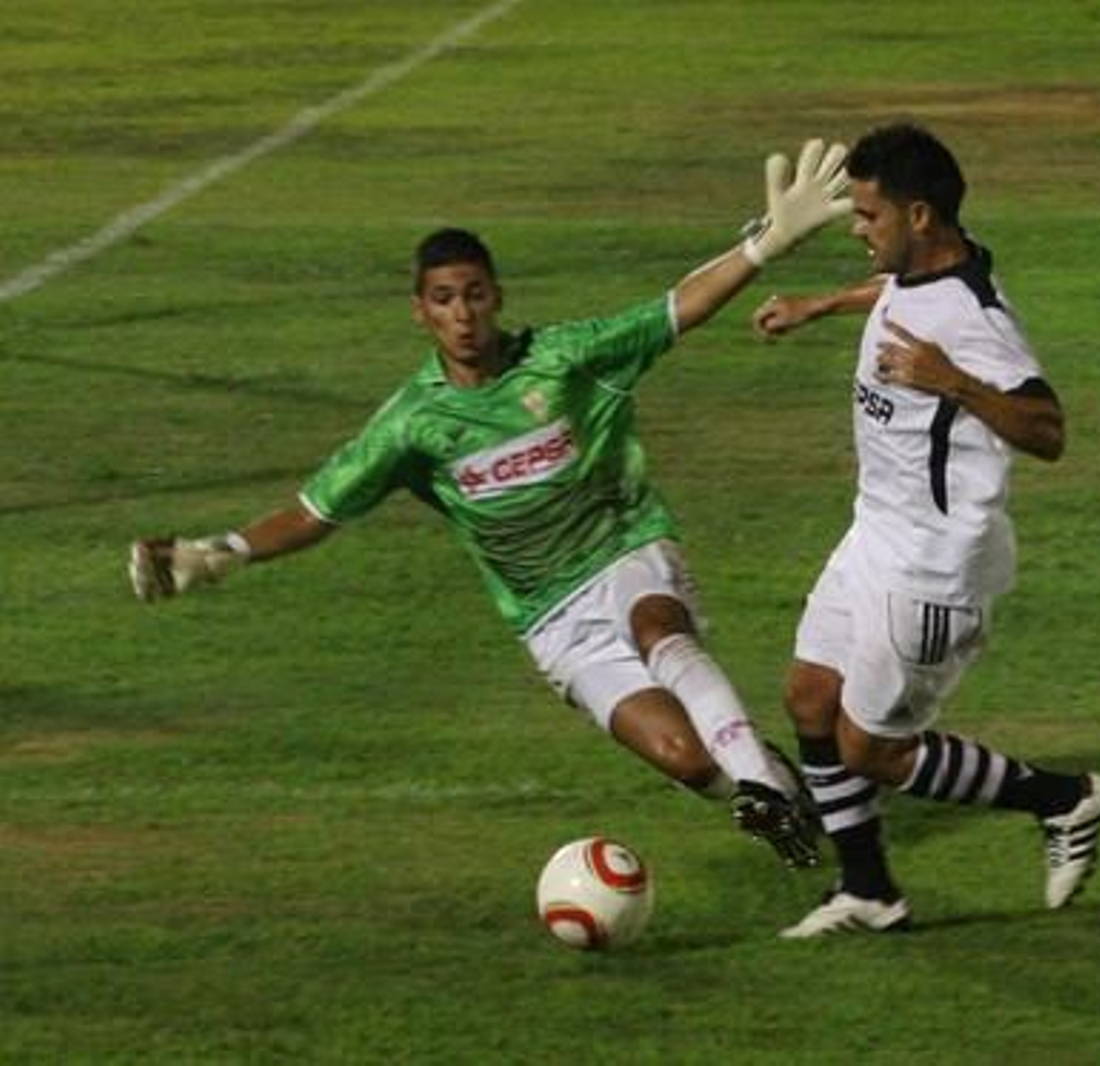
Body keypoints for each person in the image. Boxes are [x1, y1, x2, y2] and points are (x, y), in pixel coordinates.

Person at [128, 139, 856, 871]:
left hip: (628, 549)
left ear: (497, 295)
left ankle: (763, 786)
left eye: (475, 294)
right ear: (421, 312)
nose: (464, 315)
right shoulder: (414, 425)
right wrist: (222, 551)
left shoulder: (562, 358)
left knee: (655, 625)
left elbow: (675, 309)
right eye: (444, 300)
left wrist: (768, 243)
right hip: (551, 618)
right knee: (686, 758)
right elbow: (317, 511)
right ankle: (777, 784)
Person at [751, 123, 1100, 936]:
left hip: (930, 566)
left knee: (871, 752)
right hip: (874, 534)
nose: (857, 227)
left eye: (870, 215)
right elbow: (895, 294)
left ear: (919, 215)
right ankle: (869, 891)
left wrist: (951, 382)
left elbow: (1048, 429)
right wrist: (821, 306)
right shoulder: (924, 271)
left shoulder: (976, 322)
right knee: (809, 696)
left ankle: (1066, 800)